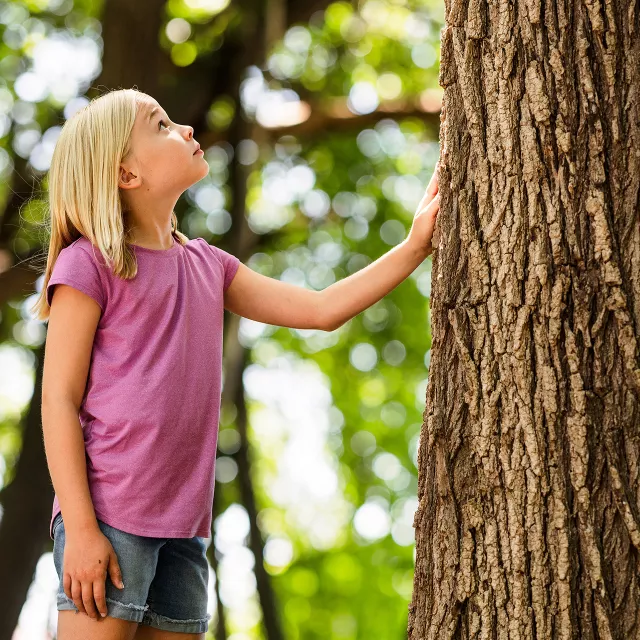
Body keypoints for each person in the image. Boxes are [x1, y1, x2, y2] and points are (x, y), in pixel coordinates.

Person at [31, 87, 440, 640]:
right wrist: (80, 528)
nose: (188, 130)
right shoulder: (89, 266)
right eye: (163, 125)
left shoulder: (209, 266)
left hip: (184, 530)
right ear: (126, 174)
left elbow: (320, 309)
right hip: (107, 517)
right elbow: (58, 398)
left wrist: (415, 247)